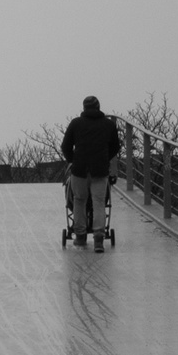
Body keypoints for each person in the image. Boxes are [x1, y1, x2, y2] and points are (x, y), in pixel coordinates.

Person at [61, 95, 121, 252]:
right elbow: (115, 146)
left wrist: (72, 160)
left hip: (80, 169)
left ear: (84, 108)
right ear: (99, 107)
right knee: (99, 202)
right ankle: (99, 239)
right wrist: (105, 158)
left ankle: (80, 236)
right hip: (100, 170)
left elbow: (65, 146)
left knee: (79, 200)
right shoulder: (108, 125)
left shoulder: (76, 123)